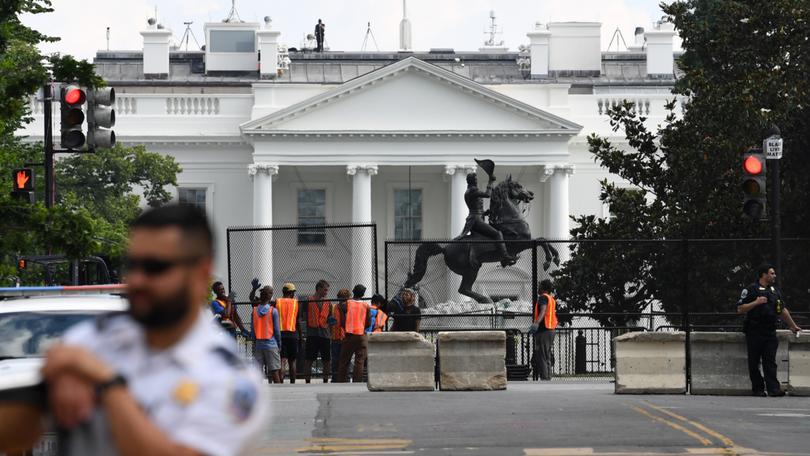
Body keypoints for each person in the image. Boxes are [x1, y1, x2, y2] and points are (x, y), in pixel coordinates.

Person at [0, 205, 268, 455]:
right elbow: (13, 437)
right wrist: (47, 386)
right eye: (133, 265)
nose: (137, 279)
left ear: (200, 273)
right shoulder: (93, 338)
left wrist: (107, 383)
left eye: (155, 267)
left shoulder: (231, 380)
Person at [737, 264, 801, 397]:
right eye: (772, 273)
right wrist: (756, 302)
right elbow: (740, 309)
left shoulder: (774, 290)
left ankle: (774, 389)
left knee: (770, 361)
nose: (774, 275)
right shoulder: (751, 289)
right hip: (754, 330)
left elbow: (782, 310)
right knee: (754, 362)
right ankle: (758, 389)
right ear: (764, 275)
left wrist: (792, 325)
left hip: (770, 331)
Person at [460, 172, 516, 266]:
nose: (477, 181)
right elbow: (487, 194)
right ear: (472, 181)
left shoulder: (470, 191)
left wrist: (485, 213)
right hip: (476, 220)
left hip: (477, 217)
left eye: (476, 180)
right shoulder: (472, 191)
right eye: (475, 180)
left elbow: (475, 207)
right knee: (498, 234)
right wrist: (490, 181)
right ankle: (505, 256)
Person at [336, 284, 372, 383]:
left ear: (353, 291)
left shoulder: (346, 304)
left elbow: (342, 321)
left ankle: (341, 381)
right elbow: (368, 323)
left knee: (344, 361)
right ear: (363, 294)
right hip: (361, 335)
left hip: (350, 335)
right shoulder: (366, 306)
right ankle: (357, 382)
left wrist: (345, 325)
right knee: (360, 361)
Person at [249, 279, 282, 384]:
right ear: (269, 296)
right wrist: (279, 343)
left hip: (259, 344)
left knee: (258, 373)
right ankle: (279, 395)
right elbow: (277, 330)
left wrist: (254, 341)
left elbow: (253, 329)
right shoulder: (273, 311)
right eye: (271, 292)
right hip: (271, 344)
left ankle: (257, 396)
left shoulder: (254, 311)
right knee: (274, 372)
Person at [302, 280, 332, 383]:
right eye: (325, 290)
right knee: (309, 359)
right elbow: (303, 316)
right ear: (318, 288)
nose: (326, 292)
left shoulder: (328, 302)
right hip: (312, 334)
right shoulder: (308, 300)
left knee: (327, 360)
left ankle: (325, 381)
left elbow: (330, 316)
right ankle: (307, 381)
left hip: (325, 334)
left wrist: (330, 323)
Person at [531, 279, 558, 381]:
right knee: (546, 355)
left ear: (543, 288)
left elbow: (543, 310)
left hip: (544, 329)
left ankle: (545, 378)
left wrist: (536, 323)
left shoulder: (543, 297)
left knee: (542, 355)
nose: (538, 287)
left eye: (540, 286)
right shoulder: (551, 298)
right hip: (551, 329)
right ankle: (548, 377)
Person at [276, 282, 300, 383]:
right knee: (292, 361)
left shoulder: (277, 302)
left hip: (280, 333)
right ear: (291, 293)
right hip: (292, 334)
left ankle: (281, 381)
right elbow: (298, 321)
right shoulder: (295, 303)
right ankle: (292, 382)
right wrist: (300, 335)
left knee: (282, 360)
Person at [329, 288, 350, 383]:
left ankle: (343, 378)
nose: (342, 302)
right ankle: (338, 378)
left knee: (343, 360)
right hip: (338, 338)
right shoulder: (334, 308)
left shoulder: (348, 308)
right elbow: (330, 321)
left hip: (343, 338)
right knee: (338, 360)